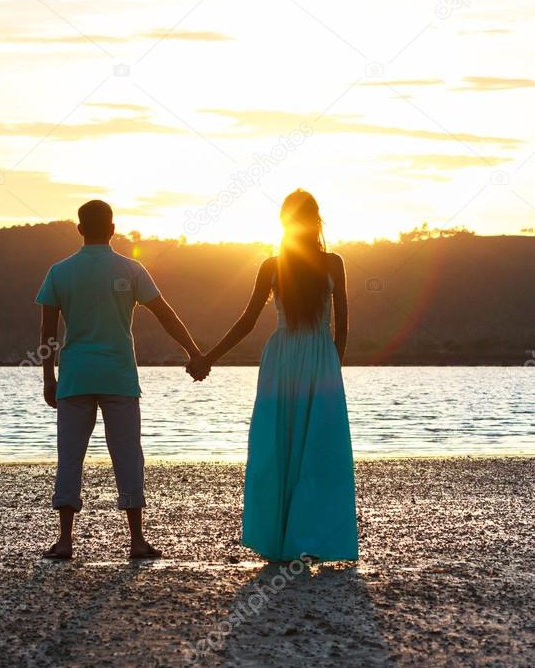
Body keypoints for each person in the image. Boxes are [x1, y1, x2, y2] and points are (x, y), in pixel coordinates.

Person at [188, 189, 358, 563]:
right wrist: (332, 366)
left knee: (276, 447)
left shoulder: (273, 265)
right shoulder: (332, 264)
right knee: (319, 449)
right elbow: (341, 326)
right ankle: (313, 540)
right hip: (318, 357)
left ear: (284, 222)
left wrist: (207, 357)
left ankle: (281, 541)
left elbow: (247, 322)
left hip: (282, 358)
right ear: (316, 222)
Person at [36, 199, 205, 561]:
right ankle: (136, 540)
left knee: (70, 456)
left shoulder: (59, 272)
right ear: (113, 230)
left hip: (76, 377)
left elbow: (48, 334)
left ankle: (65, 541)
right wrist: (193, 351)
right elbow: (166, 315)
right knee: (127, 455)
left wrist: (49, 378)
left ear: (80, 229)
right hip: (119, 376)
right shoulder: (130, 268)